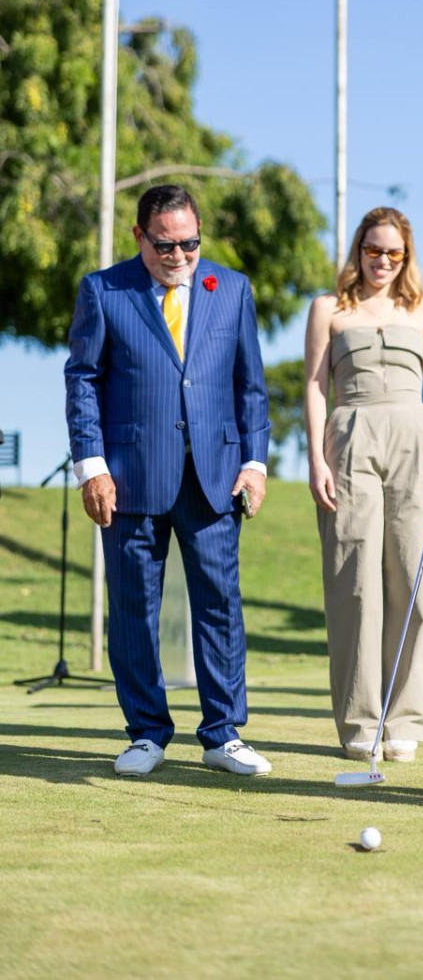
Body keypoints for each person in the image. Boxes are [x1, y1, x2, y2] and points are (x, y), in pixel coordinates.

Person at [65, 184, 270, 778]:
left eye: (190, 243)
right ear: (139, 236)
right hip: (129, 478)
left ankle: (223, 734)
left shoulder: (232, 288)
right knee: (133, 609)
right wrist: (92, 466)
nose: (179, 255)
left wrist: (255, 463)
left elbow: (250, 386)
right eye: (165, 245)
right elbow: (82, 380)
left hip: (215, 476)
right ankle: (146, 733)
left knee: (220, 605)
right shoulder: (103, 290)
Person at [304, 207, 423, 763]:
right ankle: (360, 722)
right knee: (354, 584)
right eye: (373, 250)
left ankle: (403, 720)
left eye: (394, 253)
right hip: (350, 436)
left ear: (406, 257)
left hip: (415, 440)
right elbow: (315, 386)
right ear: (358, 250)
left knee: (412, 579)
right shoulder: (328, 308)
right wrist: (316, 458)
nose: (382, 261)